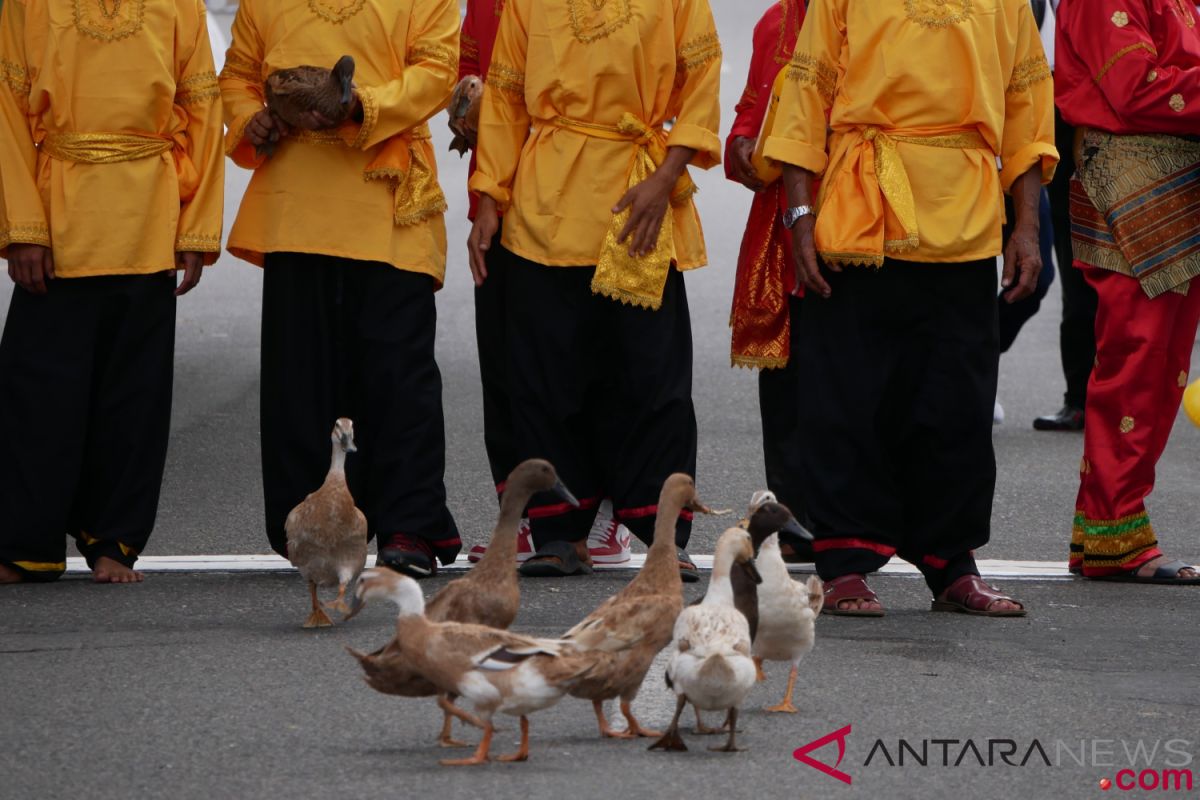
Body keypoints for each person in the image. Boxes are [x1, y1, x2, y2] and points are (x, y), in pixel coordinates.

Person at [764, 0, 1057, 615]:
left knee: (958, 404)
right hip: (860, 212)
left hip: (967, 217)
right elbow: (804, 94)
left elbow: (1028, 109)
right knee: (848, 398)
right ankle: (845, 561)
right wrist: (799, 213)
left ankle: (952, 564)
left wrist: (1026, 225)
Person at [467, 0, 721, 580]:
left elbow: (702, 81)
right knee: (546, 378)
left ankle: (663, 536)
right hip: (542, 205)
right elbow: (504, 97)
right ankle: (559, 531)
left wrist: (666, 176)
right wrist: (490, 199)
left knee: (654, 381)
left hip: (638, 201)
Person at [219, 0, 462, 578]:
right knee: (299, 377)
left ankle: (410, 525)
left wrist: (359, 104)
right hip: (295, 208)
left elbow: (436, 73)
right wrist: (254, 116)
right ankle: (313, 531)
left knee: (398, 375)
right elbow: (237, 75)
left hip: (386, 199)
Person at [0, 0, 224, 584]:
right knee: (36, 391)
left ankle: (114, 540)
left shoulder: (180, 6)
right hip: (57, 214)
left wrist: (195, 226)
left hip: (148, 213)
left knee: (135, 391)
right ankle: (26, 544)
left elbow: (203, 106)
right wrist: (23, 229)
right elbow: (6, 108)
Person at [455, 0, 632, 567]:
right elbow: (466, 71)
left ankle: (602, 516)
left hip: (589, 195)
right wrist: (466, 107)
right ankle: (529, 514)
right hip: (503, 199)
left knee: (595, 364)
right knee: (512, 371)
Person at [1056, 0, 1200, 584]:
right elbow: (1135, 88)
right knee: (1136, 355)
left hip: (1177, 177)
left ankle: (1110, 529)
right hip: (1132, 175)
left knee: (1162, 364)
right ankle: (1114, 528)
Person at [725, 0, 814, 559]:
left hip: (858, 214)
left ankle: (853, 518)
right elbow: (749, 115)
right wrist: (741, 146)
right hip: (782, 222)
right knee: (788, 380)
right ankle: (796, 516)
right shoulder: (776, 21)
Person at [1035, 0, 1097, 432]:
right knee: (1066, 269)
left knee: (1097, 274)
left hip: (1098, 123)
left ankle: (1098, 396)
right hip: (1044, 117)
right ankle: (1079, 397)